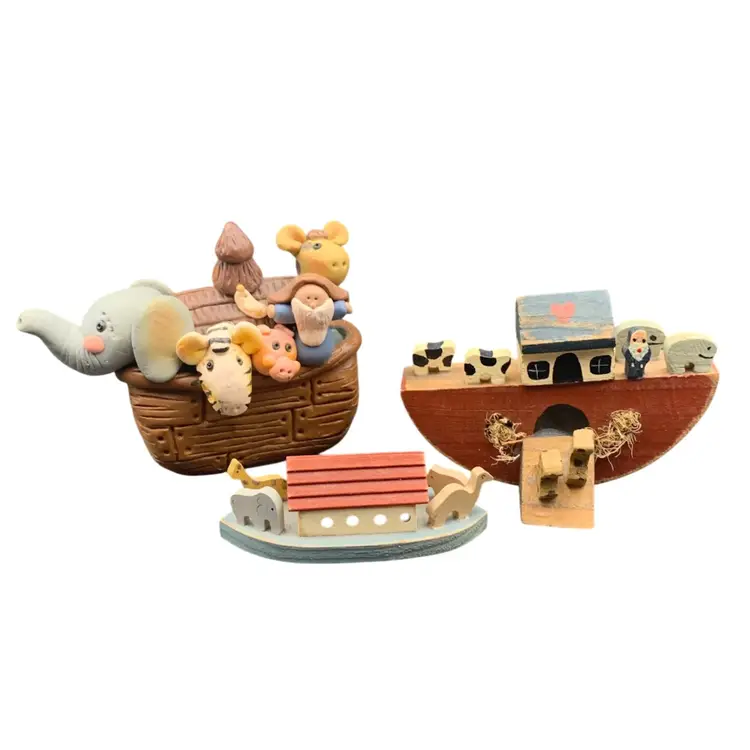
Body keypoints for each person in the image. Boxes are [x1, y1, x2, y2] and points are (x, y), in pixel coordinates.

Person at [266, 273, 352, 367]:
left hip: (325, 346)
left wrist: (344, 307)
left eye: (316, 299)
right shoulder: (297, 311)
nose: (312, 304)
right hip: (301, 349)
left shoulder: (328, 310)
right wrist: (275, 311)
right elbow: (284, 313)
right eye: (308, 298)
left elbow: (338, 309)